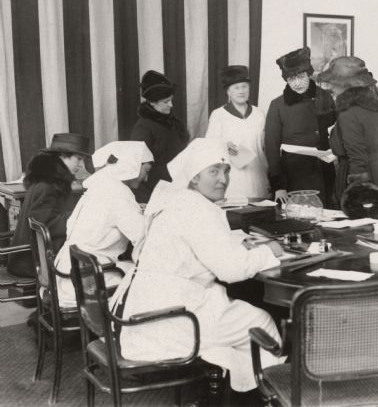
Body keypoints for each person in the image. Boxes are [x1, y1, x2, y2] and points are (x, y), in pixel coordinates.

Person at [111, 138, 285, 399]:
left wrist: (236, 243)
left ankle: (236, 393)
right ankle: (264, 398)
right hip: (171, 319)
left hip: (144, 310)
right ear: (193, 178)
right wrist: (267, 252)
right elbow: (231, 271)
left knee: (240, 312)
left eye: (226, 171)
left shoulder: (175, 200)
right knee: (262, 322)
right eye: (213, 171)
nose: (223, 179)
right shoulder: (199, 209)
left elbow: (196, 246)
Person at [54, 141, 154, 307]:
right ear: (134, 164)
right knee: (155, 278)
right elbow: (142, 237)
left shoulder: (102, 185)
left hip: (71, 272)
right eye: (146, 171)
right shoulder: (119, 192)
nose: (146, 178)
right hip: (89, 279)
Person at [319, 56, 378, 219]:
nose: (332, 89)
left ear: (346, 85)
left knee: (360, 229)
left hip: (358, 178)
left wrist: (357, 197)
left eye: (334, 84)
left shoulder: (348, 114)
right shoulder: (375, 108)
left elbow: (357, 159)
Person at [7, 133, 91, 278]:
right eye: (78, 159)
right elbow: (46, 224)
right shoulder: (47, 186)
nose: (80, 165)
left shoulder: (47, 181)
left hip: (29, 257)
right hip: (32, 263)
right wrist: (80, 216)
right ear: (62, 156)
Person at [264, 47, 337, 207]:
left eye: (300, 76)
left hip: (325, 173)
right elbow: (272, 148)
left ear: (309, 74)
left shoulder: (325, 97)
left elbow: (336, 132)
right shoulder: (277, 105)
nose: (297, 83)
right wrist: (279, 186)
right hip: (295, 175)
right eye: (291, 79)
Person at [206, 65, 269, 199]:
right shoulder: (218, 115)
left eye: (244, 86)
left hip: (258, 178)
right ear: (228, 92)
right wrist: (224, 147)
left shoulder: (259, 114)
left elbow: (266, 146)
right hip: (232, 181)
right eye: (236, 88)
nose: (241, 91)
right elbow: (209, 148)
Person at [130, 70, 189, 203]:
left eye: (171, 100)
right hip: (155, 191)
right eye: (166, 102)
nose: (171, 105)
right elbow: (138, 169)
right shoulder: (143, 127)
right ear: (152, 103)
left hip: (178, 185)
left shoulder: (173, 122)